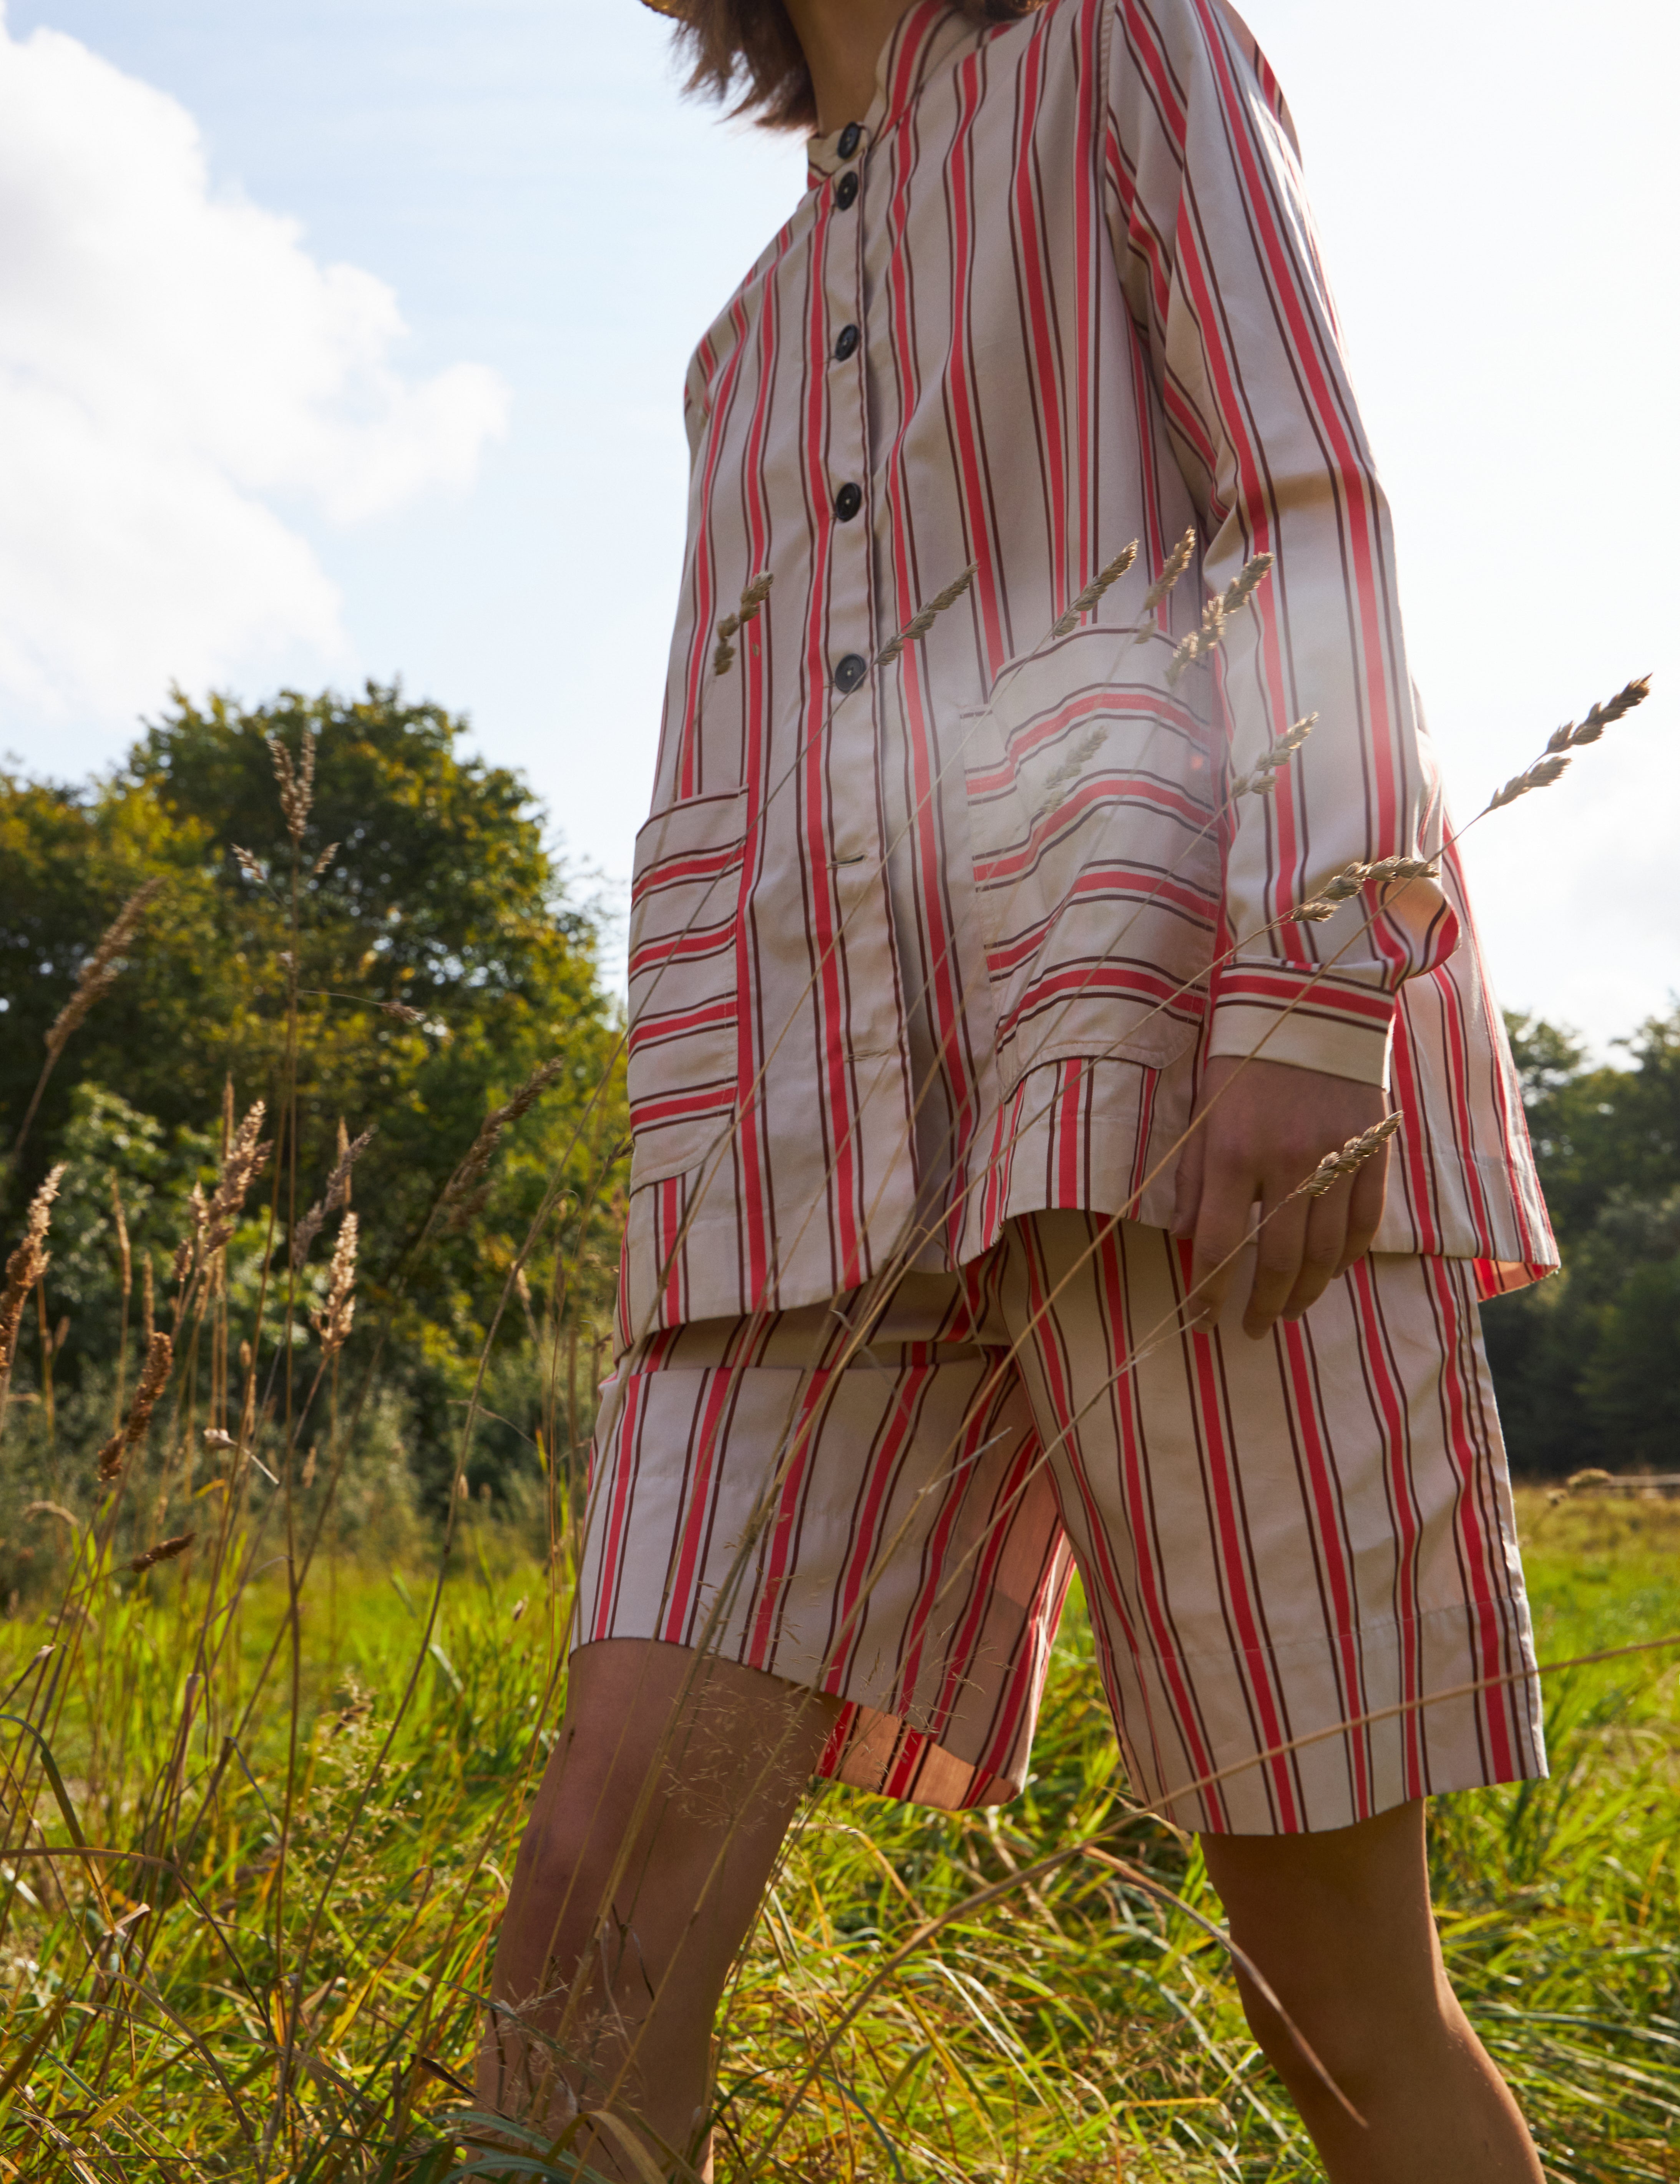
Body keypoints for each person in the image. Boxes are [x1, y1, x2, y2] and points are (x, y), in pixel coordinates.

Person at [478, 1, 1558, 2176]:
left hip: (1162, 1039)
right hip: (785, 1148)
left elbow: (1301, 496)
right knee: (579, 1935)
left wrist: (1311, 974)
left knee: (1329, 1995)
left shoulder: (1121, 39)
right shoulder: (742, 341)